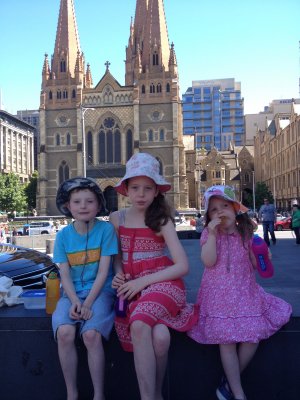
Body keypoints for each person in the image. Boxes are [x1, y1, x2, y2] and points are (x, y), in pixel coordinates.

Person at [188, 185, 292, 400]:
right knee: (226, 341)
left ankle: (228, 382)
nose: (220, 212)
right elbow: (208, 261)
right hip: (218, 296)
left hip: (245, 292)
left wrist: (263, 257)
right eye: (214, 209)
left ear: (236, 209)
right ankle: (238, 392)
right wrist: (214, 235)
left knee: (252, 336)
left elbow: (255, 265)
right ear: (208, 215)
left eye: (225, 206)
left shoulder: (246, 234)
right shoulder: (208, 233)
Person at [110, 152, 198, 400]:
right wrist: (119, 275)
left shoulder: (160, 220)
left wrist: (142, 281)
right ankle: (157, 394)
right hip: (132, 288)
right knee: (160, 338)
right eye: (135, 187)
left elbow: (182, 266)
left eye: (147, 188)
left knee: (139, 323)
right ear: (125, 189)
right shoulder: (117, 218)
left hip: (162, 283)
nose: (140, 193)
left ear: (156, 191)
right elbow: (118, 258)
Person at [52, 177, 118, 400]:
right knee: (65, 333)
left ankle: (98, 395)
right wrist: (74, 301)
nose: (83, 206)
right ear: (68, 206)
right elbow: (65, 274)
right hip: (72, 294)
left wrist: (88, 303)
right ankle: (72, 394)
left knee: (90, 335)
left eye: (89, 201)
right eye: (77, 202)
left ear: (98, 205)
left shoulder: (106, 230)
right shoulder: (62, 236)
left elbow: (103, 272)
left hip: (101, 292)